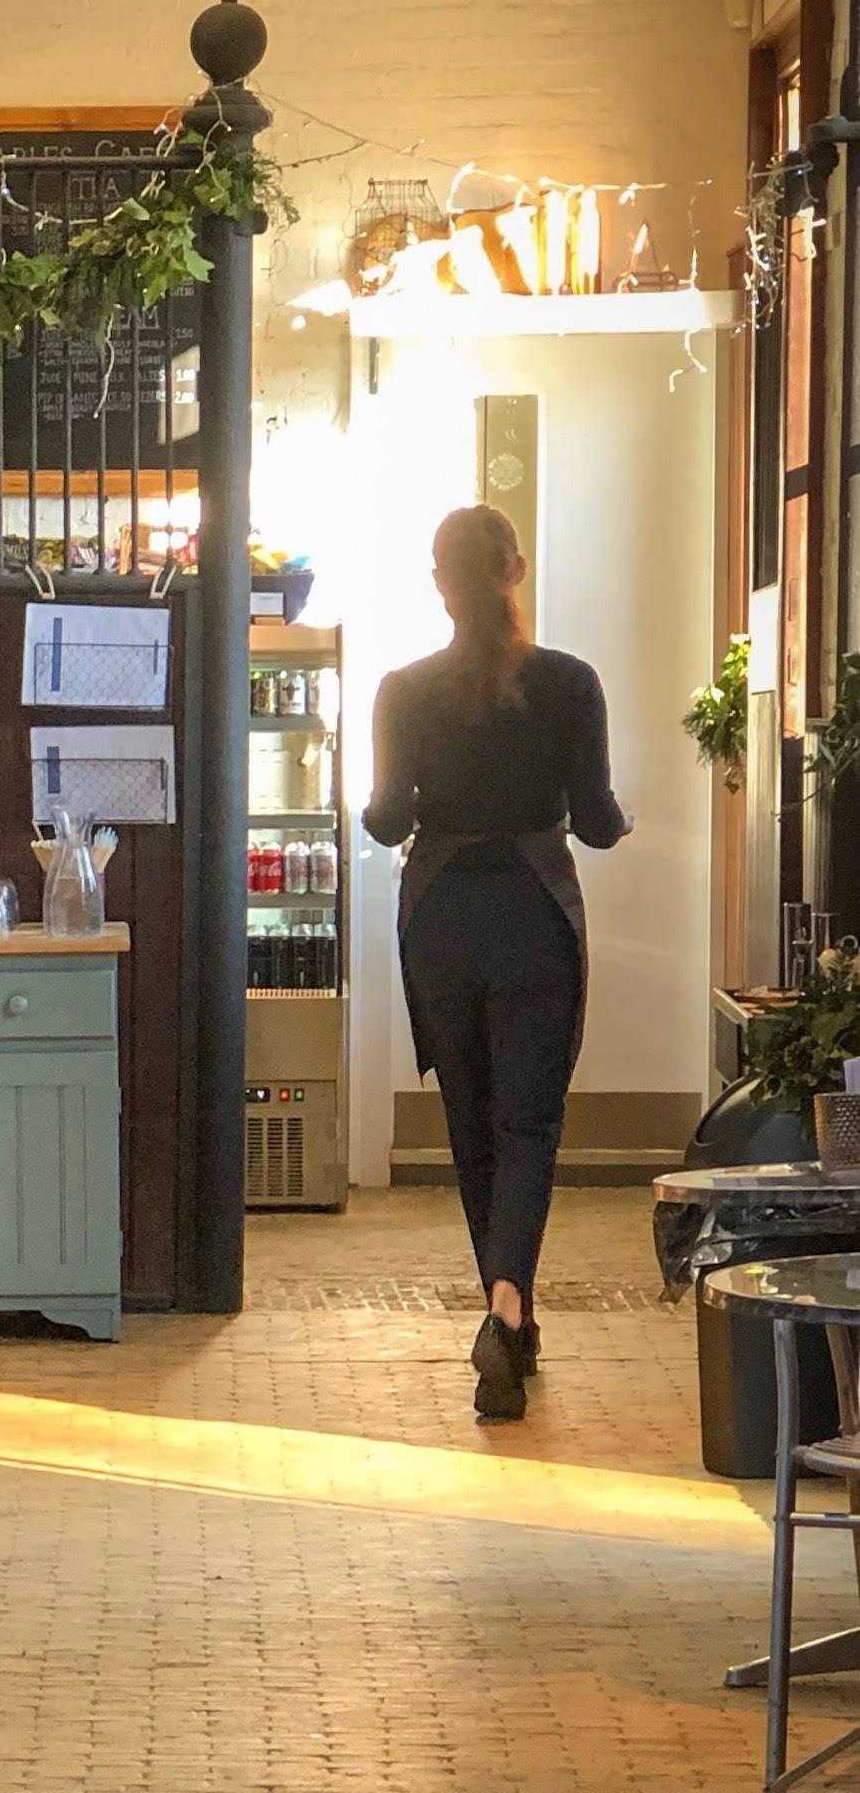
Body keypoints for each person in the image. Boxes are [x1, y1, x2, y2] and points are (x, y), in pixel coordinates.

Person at [361, 502, 630, 1418]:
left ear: (440, 585)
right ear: (515, 572)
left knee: (471, 1127)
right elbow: (594, 823)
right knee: (530, 1125)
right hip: (533, 911)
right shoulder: (571, 684)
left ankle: (508, 1315)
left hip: (439, 914)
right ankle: (508, 1305)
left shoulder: (402, 689)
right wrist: (619, 816)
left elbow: (390, 817)